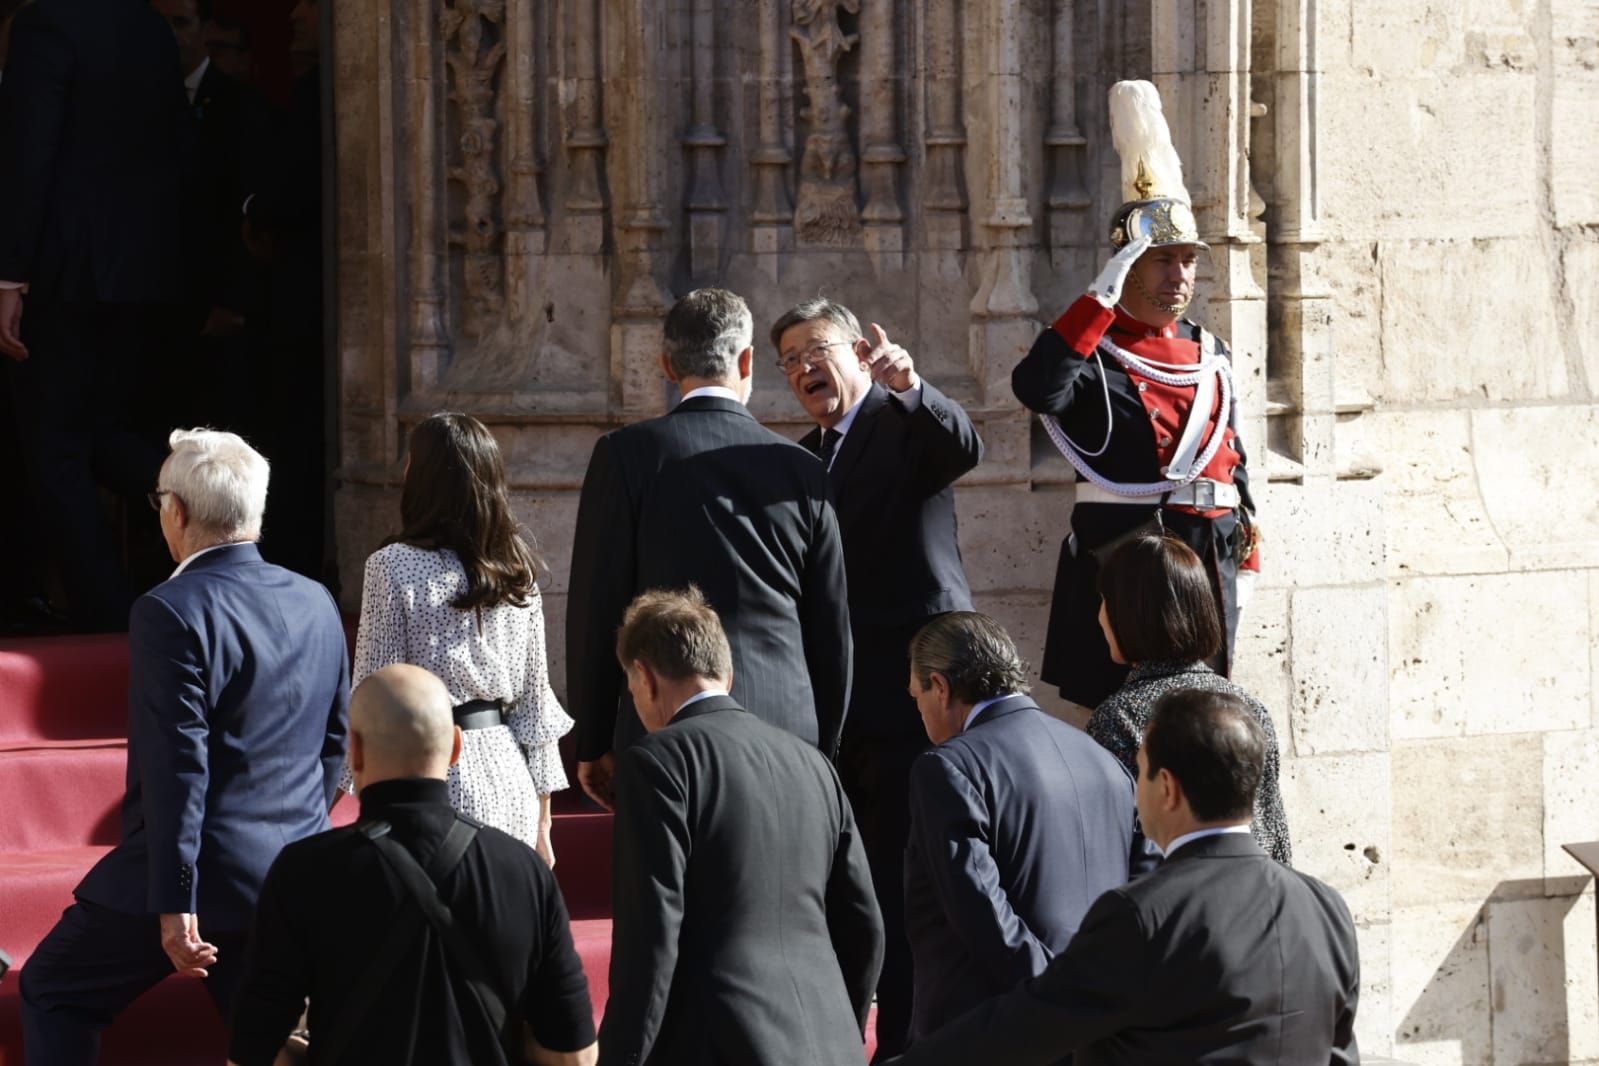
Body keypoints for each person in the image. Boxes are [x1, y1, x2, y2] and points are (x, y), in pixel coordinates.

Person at [19, 429, 350, 1064]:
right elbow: (333, 747)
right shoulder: (316, 600)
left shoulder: (168, 610)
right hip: (290, 876)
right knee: (272, 1042)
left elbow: (177, 771)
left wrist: (175, 901)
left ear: (177, 512)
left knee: (54, 989)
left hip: (194, 877)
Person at [886, 690, 1360, 1066]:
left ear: (1168, 788)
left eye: (1141, 773)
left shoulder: (1143, 915)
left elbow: (1024, 1028)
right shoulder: (1326, 908)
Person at [770, 297, 982, 1059]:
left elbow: (962, 446)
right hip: (842, 707)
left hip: (915, 695)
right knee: (854, 881)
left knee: (906, 879)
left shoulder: (904, 424)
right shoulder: (801, 458)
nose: (802, 370)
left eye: (815, 350)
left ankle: (905, 1040)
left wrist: (911, 385)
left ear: (859, 351)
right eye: (788, 360)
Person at [1012, 80, 1260, 715]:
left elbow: (1230, 450)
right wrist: (1098, 298)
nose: (1180, 276)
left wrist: (1245, 545)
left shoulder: (1210, 352)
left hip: (1206, 556)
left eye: (1188, 262)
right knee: (1128, 727)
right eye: (1162, 261)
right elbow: (1037, 389)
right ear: (1127, 266)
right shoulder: (1091, 351)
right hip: (1127, 564)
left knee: (1209, 718)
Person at [566, 288, 852, 811]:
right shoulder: (803, 469)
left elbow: (598, 605)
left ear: (666, 366)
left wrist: (592, 739)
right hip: (786, 726)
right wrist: (824, 747)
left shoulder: (625, 456)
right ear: (746, 361)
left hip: (664, 725)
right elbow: (831, 626)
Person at [228, 665, 598, 1066]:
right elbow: (574, 1055)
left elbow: (252, 1051)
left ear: (354, 751)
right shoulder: (524, 871)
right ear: (457, 747)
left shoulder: (303, 872)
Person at [599, 587, 883, 1066]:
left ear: (644, 677)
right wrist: (843, 1028)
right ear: (726, 674)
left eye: (631, 693)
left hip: (719, 1043)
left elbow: (649, 936)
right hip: (829, 1042)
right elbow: (863, 922)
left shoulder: (657, 763)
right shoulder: (813, 764)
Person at [0, 0, 190, 630]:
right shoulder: (151, 28)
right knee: (102, 434)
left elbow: (28, 157)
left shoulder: (45, 25)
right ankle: (220, 514)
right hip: (140, 273)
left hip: (65, 275)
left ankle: (112, 614)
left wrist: (10, 277)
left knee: (54, 447)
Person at [902, 612, 1154, 1046]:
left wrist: (1057, 1000)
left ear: (940, 688)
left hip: (993, 1032)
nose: (920, 713)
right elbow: (1147, 888)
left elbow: (982, 915)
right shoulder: (1104, 761)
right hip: (1098, 1027)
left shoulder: (948, 768)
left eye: (916, 697)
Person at [348, 412, 574, 864]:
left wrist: (349, 793)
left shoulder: (391, 567)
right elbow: (536, 709)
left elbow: (374, 696)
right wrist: (543, 823)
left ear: (425, 478)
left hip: (431, 781)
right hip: (512, 781)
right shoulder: (517, 572)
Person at [1089, 532, 1291, 863]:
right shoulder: (1248, 706)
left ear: (1129, 612)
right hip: (1261, 902)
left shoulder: (1117, 719)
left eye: (1105, 600)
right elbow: (1276, 835)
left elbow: (1114, 852)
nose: (1099, 616)